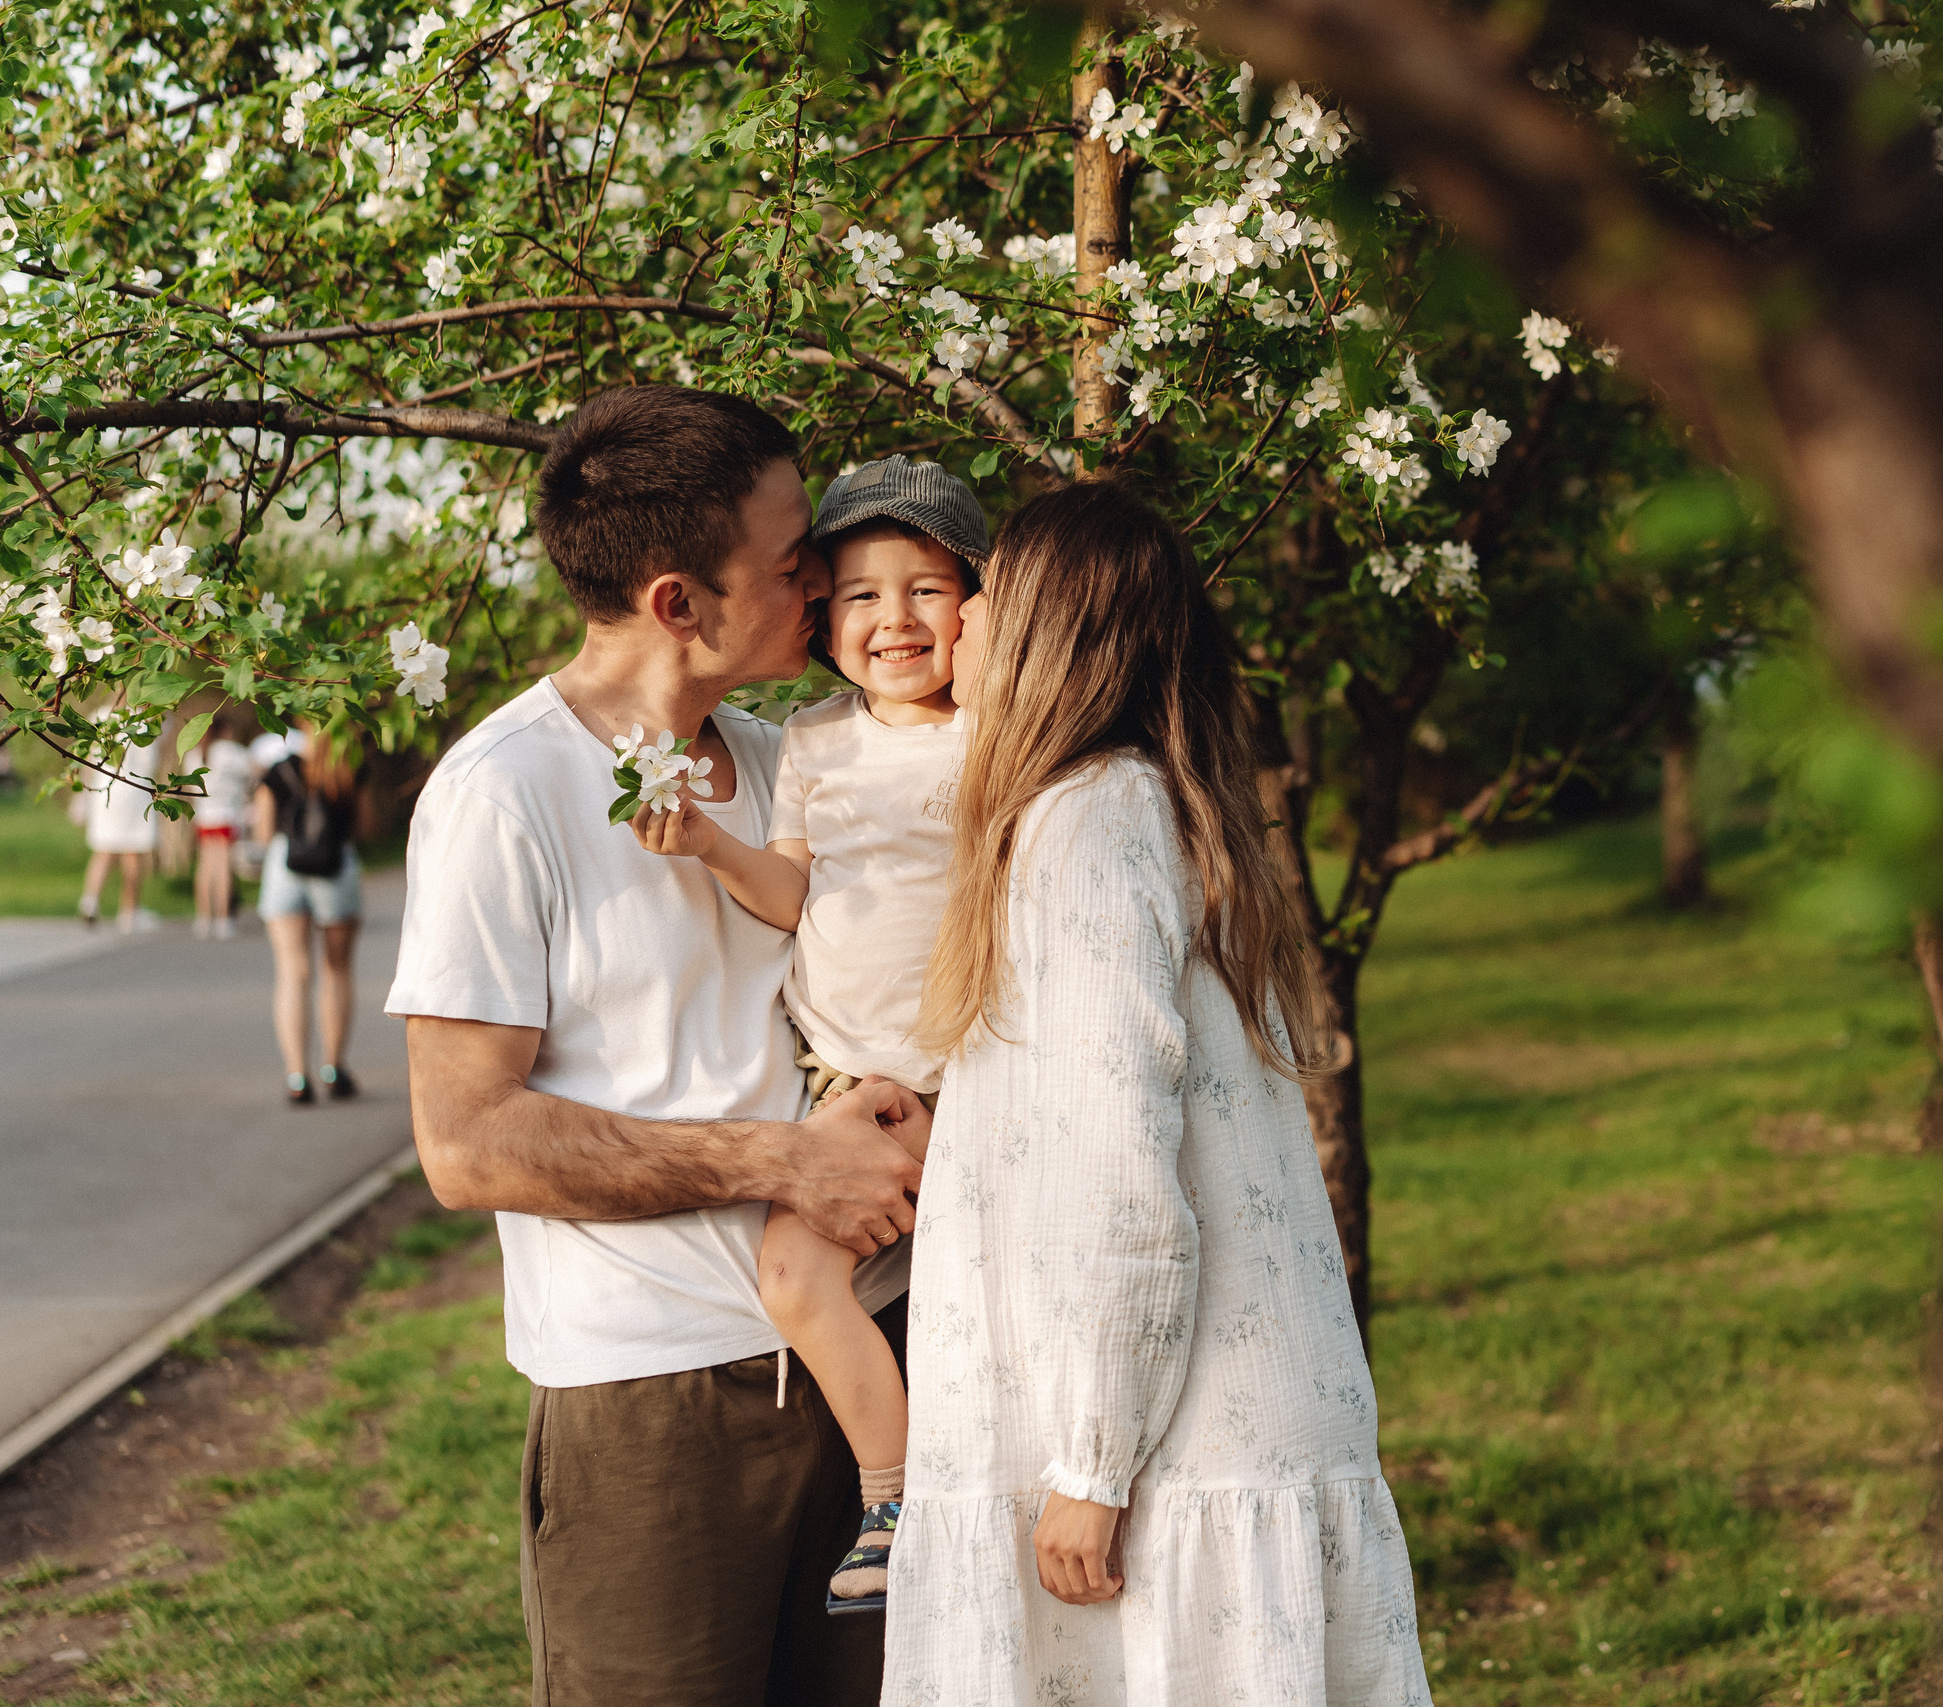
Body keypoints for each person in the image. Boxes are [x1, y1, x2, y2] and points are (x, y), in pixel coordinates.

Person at [387, 385, 928, 1707]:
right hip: (655, 1404)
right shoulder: (501, 795)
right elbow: (468, 1141)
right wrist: (785, 1162)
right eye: (794, 555)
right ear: (680, 599)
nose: (827, 574)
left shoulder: (787, 755)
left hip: (882, 1359)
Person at [885, 481, 1435, 1704]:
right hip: (1202, 1434)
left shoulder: (1085, 823)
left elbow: (1117, 1172)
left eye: (986, 595)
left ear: (1044, 635)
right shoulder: (1154, 807)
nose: (956, 619)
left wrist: (1092, 1463)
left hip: (1164, 1458)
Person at [630, 454, 986, 1617]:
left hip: (958, 1081)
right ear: (825, 614)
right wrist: (710, 849)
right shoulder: (817, 743)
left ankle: (921, 1496)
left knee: (955, 1303)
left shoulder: (998, 736)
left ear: (978, 608)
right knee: (795, 1275)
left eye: (927, 590)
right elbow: (792, 894)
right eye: (865, 593)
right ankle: (897, 1495)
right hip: (845, 1089)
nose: (896, 619)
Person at [254, 720, 367, 1104]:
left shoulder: (280, 769)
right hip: (336, 868)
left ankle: (297, 1077)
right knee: (336, 968)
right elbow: (366, 825)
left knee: (292, 971)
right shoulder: (347, 764)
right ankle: (334, 1070)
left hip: (286, 867)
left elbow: (264, 830)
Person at [77, 727, 166, 930]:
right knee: (132, 852)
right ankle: (129, 911)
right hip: (133, 791)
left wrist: (82, 796)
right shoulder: (145, 725)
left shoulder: (101, 716)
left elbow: (88, 759)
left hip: (103, 790)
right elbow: (149, 762)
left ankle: (90, 900)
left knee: (103, 850)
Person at [190, 708, 259, 939]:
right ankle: (222, 919)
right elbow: (255, 769)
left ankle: (203, 918)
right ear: (225, 730)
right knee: (223, 868)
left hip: (204, 816)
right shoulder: (230, 751)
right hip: (226, 816)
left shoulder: (194, 752)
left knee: (205, 868)